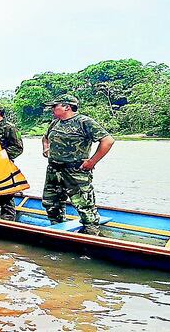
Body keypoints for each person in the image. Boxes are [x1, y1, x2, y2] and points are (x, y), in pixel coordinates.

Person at [41, 94, 115, 235]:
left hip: (75, 171)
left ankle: (92, 234)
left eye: (55, 106)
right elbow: (45, 138)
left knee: (84, 205)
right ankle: (58, 230)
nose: (52, 109)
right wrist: (46, 149)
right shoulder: (55, 123)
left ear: (67, 107)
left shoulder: (84, 122)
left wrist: (92, 161)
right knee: (51, 203)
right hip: (54, 170)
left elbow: (108, 141)